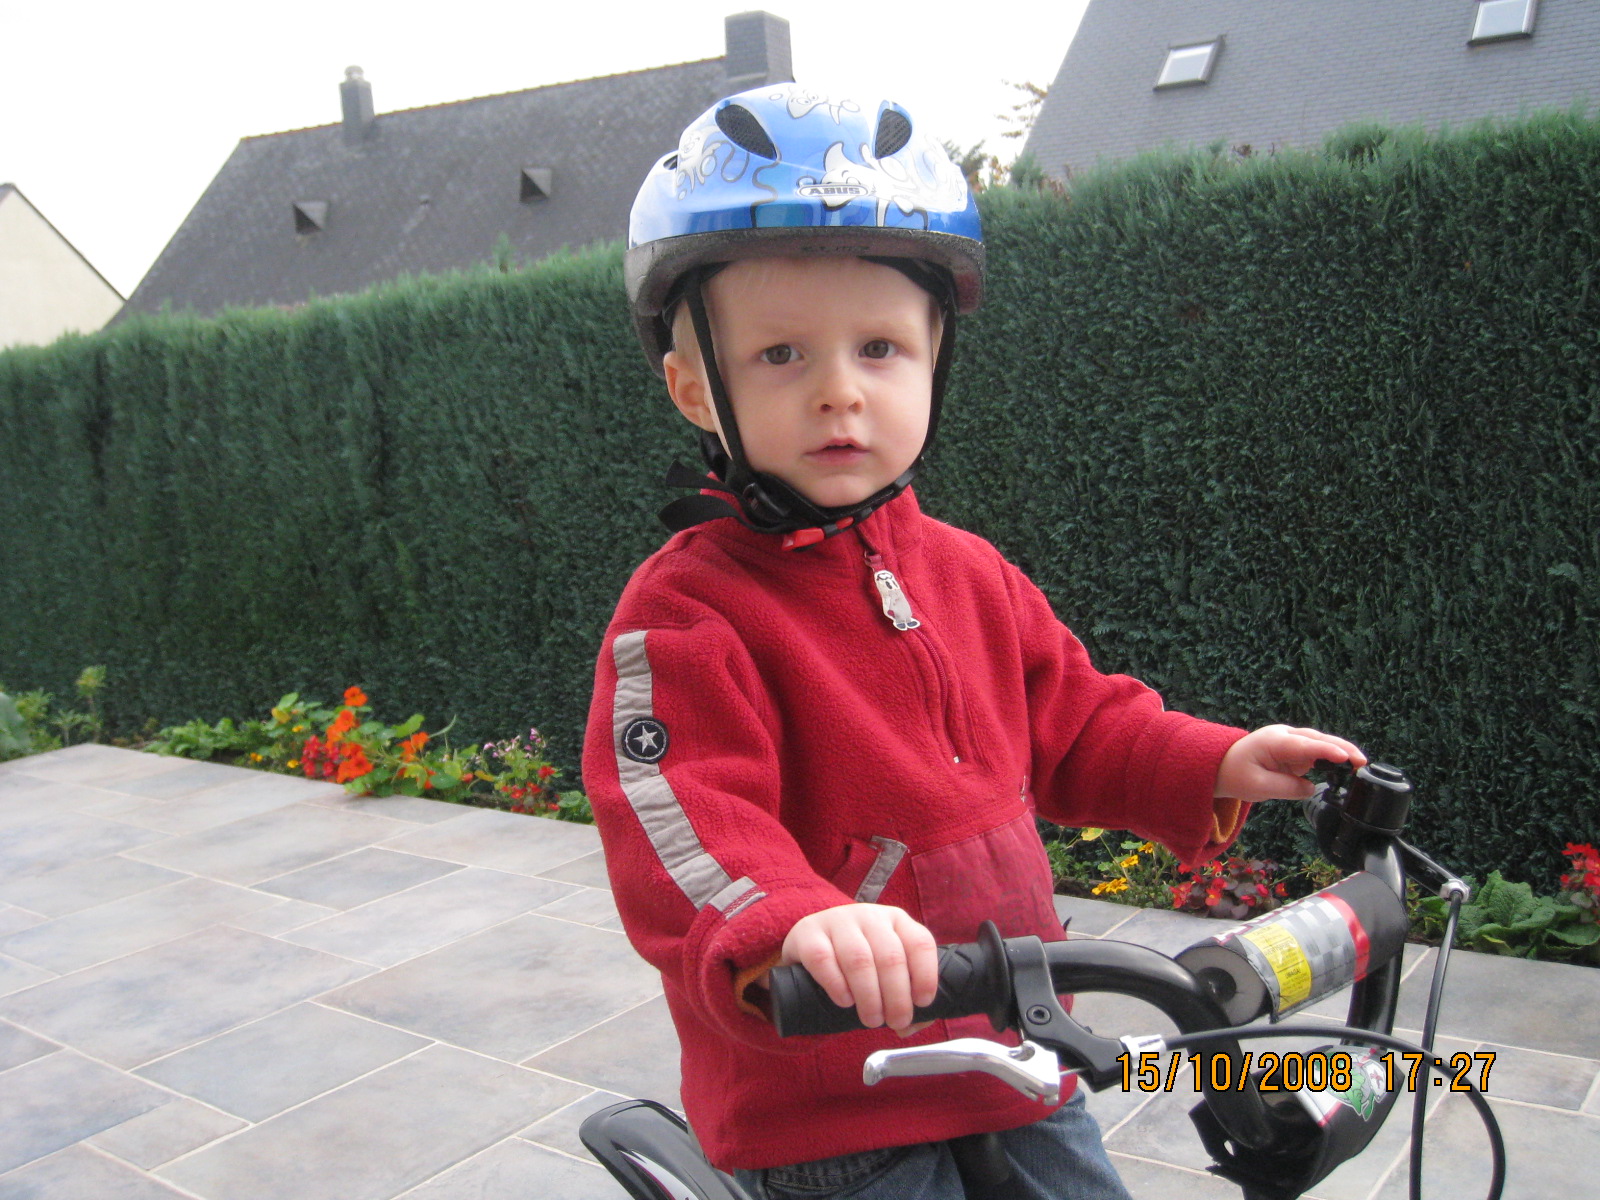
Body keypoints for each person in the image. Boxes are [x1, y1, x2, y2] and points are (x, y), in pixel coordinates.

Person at [583, 83, 1366, 1200]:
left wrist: (1219, 759)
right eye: (780, 355)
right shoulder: (687, 616)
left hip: (1017, 1058)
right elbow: (681, 821)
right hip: (836, 1102)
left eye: (880, 348)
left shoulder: (967, 571)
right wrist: (796, 922)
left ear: (935, 356)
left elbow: (1079, 722)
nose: (839, 392)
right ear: (693, 387)